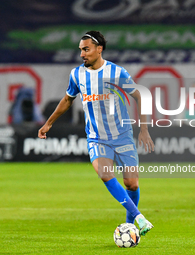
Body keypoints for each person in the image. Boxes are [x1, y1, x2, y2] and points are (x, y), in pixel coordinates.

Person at [38, 31, 155, 236]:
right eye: (81, 50)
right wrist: (48, 123)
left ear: (99, 49)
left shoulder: (117, 72)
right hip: (96, 137)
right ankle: (139, 217)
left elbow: (140, 96)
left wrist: (144, 129)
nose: (82, 54)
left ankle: (130, 224)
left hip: (122, 136)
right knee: (105, 174)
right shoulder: (77, 75)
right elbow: (67, 100)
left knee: (131, 183)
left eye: (86, 49)